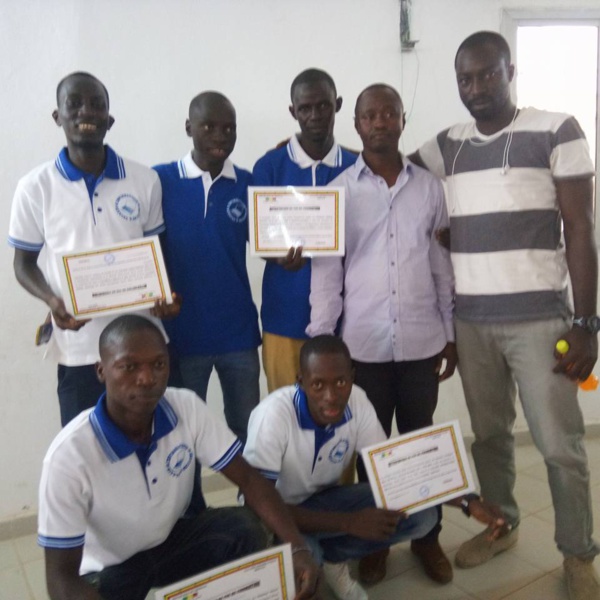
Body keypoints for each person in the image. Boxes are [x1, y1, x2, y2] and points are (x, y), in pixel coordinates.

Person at [410, 31, 600, 600]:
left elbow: (582, 231)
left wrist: (588, 324)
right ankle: (504, 524)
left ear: (509, 70)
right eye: (465, 79)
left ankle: (578, 553)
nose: (476, 88)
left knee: (560, 445)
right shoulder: (449, 145)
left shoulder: (557, 129)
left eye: (487, 74)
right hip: (472, 325)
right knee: (490, 436)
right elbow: (392, 169)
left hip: (542, 321)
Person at [37, 314, 319, 600]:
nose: (147, 378)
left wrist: (296, 547)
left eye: (158, 364)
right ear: (101, 371)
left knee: (244, 528)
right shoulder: (68, 456)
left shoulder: (186, 408)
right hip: (111, 568)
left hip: (171, 542)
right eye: (129, 366)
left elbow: (248, 479)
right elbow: (60, 577)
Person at [307, 84, 456, 585]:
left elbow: (440, 266)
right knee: (373, 452)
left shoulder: (430, 188)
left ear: (401, 120)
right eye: (370, 114)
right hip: (362, 348)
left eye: (388, 113)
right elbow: (327, 275)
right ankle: (379, 542)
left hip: (420, 342)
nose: (379, 121)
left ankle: (427, 537)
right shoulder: (339, 193)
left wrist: (450, 332)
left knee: (421, 443)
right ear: (357, 124)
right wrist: (321, 342)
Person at [243, 335, 505, 600]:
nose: (331, 396)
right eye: (318, 384)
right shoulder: (273, 416)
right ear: (301, 381)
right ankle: (316, 557)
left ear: (353, 377)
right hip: (275, 518)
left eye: (341, 382)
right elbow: (257, 505)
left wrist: (467, 501)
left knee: (422, 516)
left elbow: (395, 469)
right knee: (305, 571)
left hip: (321, 502)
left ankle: (331, 558)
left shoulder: (357, 402)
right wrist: (349, 522)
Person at [8, 72, 177, 426]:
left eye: (97, 105)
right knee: (83, 448)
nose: (86, 112)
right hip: (78, 347)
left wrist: (164, 294)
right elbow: (23, 265)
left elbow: (157, 251)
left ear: (109, 119)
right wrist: (53, 302)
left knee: (154, 439)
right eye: (75, 104)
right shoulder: (34, 187)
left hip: (142, 342)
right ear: (58, 116)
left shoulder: (144, 179)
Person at [153, 91, 260, 443]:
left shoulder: (248, 185)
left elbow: (271, 243)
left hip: (238, 334)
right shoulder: (159, 181)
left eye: (229, 128)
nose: (220, 135)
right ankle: (192, 500)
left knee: (248, 428)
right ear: (189, 128)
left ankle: (252, 500)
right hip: (181, 335)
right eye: (209, 126)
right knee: (185, 433)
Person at [253, 68, 357, 393]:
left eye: (323, 105)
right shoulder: (268, 166)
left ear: (338, 104)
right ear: (293, 111)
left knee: (341, 414)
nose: (315, 115)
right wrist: (279, 257)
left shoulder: (357, 165)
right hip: (284, 315)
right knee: (285, 409)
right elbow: (260, 238)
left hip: (347, 318)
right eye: (305, 108)